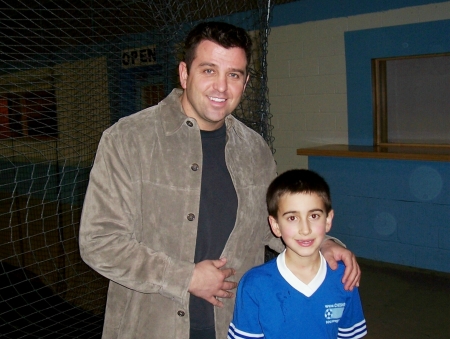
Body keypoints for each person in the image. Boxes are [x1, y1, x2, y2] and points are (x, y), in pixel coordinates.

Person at [79, 21, 361, 339]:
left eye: (234, 75)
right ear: (185, 74)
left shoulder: (255, 150)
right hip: (152, 326)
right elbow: (99, 243)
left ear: (246, 81)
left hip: (234, 325)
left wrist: (325, 243)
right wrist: (184, 277)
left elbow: (274, 226)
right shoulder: (128, 139)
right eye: (209, 70)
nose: (221, 88)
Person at [228, 169, 367, 339]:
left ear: (328, 220)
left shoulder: (344, 276)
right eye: (292, 218)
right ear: (275, 225)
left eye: (314, 215)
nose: (305, 229)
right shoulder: (254, 284)